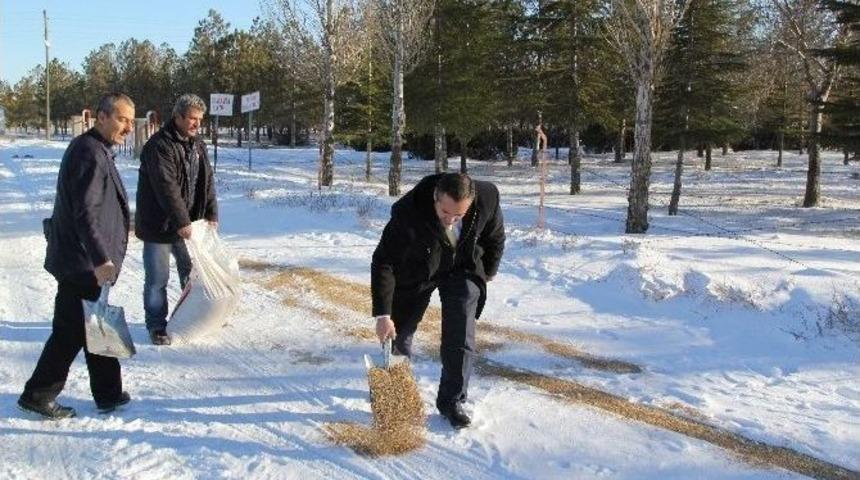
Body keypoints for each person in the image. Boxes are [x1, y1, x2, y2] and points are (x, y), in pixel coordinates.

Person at [18, 93, 135, 419]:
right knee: (70, 331)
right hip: (81, 262)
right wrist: (101, 258)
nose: (127, 127)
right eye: (122, 119)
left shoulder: (98, 149)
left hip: (84, 260)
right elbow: (85, 213)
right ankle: (38, 394)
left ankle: (108, 393)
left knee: (95, 322)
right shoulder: (89, 153)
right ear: (101, 116)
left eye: (129, 120)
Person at [371, 172, 505, 429]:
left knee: (460, 331)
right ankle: (396, 387)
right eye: (445, 213)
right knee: (400, 330)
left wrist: (487, 272)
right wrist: (383, 315)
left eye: (459, 216)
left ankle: (452, 401)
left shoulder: (487, 198)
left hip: (462, 267)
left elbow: (495, 237)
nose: (451, 220)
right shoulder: (408, 213)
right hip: (418, 269)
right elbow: (383, 261)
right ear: (435, 198)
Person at [136, 94, 218, 345]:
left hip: (187, 226)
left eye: (199, 120)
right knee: (157, 279)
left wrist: (211, 213)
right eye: (192, 119)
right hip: (159, 226)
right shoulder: (159, 146)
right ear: (178, 117)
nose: (196, 124)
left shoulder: (197, 145)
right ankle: (156, 325)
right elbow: (166, 186)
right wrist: (182, 221)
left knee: (192, 275)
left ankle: (188, 318)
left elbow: (207, 182)